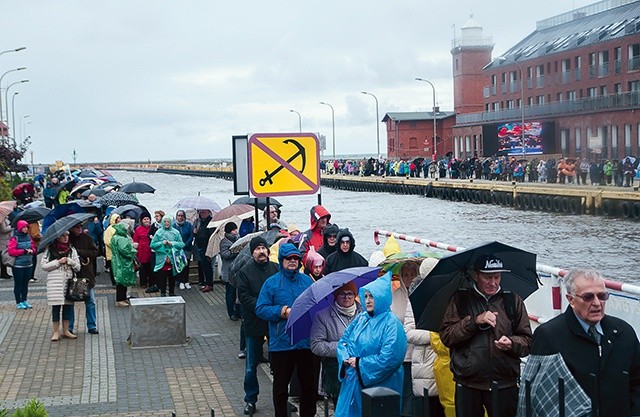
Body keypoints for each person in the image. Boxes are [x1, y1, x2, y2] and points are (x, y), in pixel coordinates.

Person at [530, 268, 640, 416]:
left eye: (602, 296)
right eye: (588, 297)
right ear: (570, 299)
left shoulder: (624, 333)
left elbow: (637, 382)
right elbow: (538, 396)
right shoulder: (549, 336)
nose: (597, 303)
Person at [440, 254, 532, 417]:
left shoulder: (513, 301)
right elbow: (447, 337)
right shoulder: (460, 299)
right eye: (487, 277)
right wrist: (474, 322)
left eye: (497, 277)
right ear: (475, 276)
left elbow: (527, 341)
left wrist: (511, 343)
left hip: (505, 384)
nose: (493, 282)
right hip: (468, 384)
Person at [255, 243, 316, 417]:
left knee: (309, 387)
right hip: (281, 343)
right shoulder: (271, 283)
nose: (292, 261)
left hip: (305, 342)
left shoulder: (307, 280)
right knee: (281, 388)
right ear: (282, 260)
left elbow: (316, 305)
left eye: (296, 258)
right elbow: (260, 309)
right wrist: (282, 311)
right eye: (289, 258)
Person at [335, 272, 407, 416]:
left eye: (372, 296)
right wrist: (345, 359)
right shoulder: (361, 318)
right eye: (366, 296)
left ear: (382, 297)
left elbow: (390, 358)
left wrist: (360, 363)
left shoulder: (391, 323)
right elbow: (343, 341)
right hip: (353, 382)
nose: (368, 300)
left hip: (382, 386)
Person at [236, 236, 279, 415]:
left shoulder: (276, 269)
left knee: (279, 364)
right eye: (257, 248)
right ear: (252, 252)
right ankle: (250, 399)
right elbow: (244, 298)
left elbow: (280, 291)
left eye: (264, 248)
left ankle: (281, 399)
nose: (261, 251)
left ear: (268, 251)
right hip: (253, 323)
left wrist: (273, 310)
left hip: (274, 323)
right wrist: (263, 307)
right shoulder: (244, 272)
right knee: (251, 365)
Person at [310, 281, 361, 408]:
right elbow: (316, 345)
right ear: (335, 296)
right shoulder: (322, 316)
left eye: (350, 294)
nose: (346, 297)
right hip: (336, 369)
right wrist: (342, 348)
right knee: (342, 407)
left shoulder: (365, 313)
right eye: (342, 294)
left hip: (361, 367)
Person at [41, 231, 80, 341]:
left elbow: (78, 267)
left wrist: (70, 262)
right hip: (55, 282)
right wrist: (58, 262)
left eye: (67, 235)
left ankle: (66, 330)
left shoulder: (72, 250)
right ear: (57, 237)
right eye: (63, 236)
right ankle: (56, 331)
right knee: (56, 307)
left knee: (67, 307)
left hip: (68, 282)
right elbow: (44, 266)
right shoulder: (50, 250)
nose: (66, 238)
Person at [68, 222, 100, 335]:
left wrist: (81, 252)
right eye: (76, 227)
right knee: (70, 302)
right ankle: (69, 326)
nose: (79, 229)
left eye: (81, 227)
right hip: (73, 275)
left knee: (90, 301)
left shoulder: (87, 238)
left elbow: (95, 252)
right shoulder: (67, 239)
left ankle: (92, 325)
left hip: (87, 274)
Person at [150, 215, 185, 297]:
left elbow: (181, 244)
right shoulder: (158, 232)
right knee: (162, 277)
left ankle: (172, 292)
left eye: (168, 222)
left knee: (172, 277)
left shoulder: (176, 232)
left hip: (173, 259)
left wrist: (172, 243)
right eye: (165, 221)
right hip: (162, 259)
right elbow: (152, 245)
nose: (166, 223)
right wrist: (162, 243)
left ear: (171, 222)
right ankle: (162, 293)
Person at [7, 220, 36, 309]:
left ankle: (24, 300)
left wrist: (32, 251)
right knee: (18, 283)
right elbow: (11, 251)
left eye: (26, 227)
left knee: (25, 283)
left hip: (28, 264)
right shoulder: (15, 238)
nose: (26, 229)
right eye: (24, 227)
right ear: (19, 228)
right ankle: (18, 302)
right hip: (18, 265)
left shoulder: (28, 237)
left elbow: (33, 247)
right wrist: (23, 251)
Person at [111, 223, 138, 306]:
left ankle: (122, 298)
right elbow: (125, 250)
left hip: (117, 261)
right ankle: (120, 300)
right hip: (123, 262)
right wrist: (133, 249)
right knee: (122, 281)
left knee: (121, 280)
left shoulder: (115, 237)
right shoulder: (121, 238)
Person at [220, 222, 240, 320]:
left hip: (238, 270)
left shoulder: (239, 239)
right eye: (233, 230)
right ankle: (231, 312)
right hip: (228, 271)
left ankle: (238, 311)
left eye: (236, 229)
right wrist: (234, 251)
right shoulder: (224, 242)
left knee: (238, 293)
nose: (235, 231)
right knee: (230, 293)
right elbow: (225, 255)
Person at [193, 209, 214, 292]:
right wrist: (195, 233)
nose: (201, 214)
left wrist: (199, 234)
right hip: (201, 246)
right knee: (204, 266)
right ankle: (206, 283)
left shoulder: (210, 222)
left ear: (208, 212)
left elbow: (208, 235)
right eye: (200, 212)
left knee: (207, 266)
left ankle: (209, 284)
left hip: (206, 247)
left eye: (203, 212)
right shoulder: (200, 221)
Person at [173, 209, 194, 289]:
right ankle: (180, 281)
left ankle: (186, 281)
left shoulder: (188, 225)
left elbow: (191, 236)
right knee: (179, 265)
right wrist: (178, 245)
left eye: (182, 215)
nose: (180, 217)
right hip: (177, 249)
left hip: (187, 248)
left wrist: (185, 244)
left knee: (186, 265)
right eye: (179, 215)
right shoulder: (174, 226)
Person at [133, 213, 153, 288]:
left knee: (151, 268)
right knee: (143, 269)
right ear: (141, 220)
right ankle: (143, 283)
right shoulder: (138, 229)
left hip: (151, 251)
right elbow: (135, 241)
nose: (146, 220)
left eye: (148, 219)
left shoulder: (152, 228)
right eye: (144, 219)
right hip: (142, 252)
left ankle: (151, 283)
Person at [103, 213, 121, 286]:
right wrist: (116, 246)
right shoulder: (109, 229)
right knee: (113, 268)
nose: (120, 220)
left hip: (118, 252)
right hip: (112, 252)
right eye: (118, 218)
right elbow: (107, 241)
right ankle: (114, 282)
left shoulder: (119, 228)